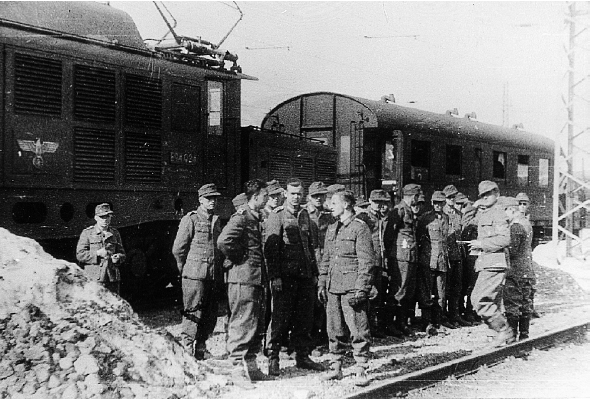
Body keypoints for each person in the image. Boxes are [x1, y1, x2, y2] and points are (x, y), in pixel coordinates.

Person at [264, 178, 324, 376]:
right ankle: (273, 358)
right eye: (292, 194)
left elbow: (312, 246)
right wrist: (275, 277)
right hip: (286, 277)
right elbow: (271, 250)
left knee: (304, 318)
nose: (296, 197)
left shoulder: (306, 215)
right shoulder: (277, 216)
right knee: (280, 318)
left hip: (305, 276)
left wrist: (315, 274)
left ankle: (302, 356)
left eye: (299, 194)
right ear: (286, 195)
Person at [318, 190, 374, 387]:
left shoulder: (360, 228)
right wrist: (322, 282)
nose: (330, 206)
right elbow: (327, 258)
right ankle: (336, 367)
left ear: (348, 205)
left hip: (351, 289)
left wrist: (361, 289)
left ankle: (361, 369)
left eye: (334, 202)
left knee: (358, 330)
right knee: (334, 329)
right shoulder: (333, 228)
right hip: (333, 288)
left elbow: (366, 261)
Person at [217, 179, 271, 382]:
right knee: (242, 322)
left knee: (256, 322)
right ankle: (236, 370)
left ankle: (251, 366)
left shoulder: (259, 217)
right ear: (256, 197)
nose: (267, 199)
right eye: (265, 195)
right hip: (243, 279)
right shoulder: (241, 217)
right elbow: (223, 241)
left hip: (256, 279)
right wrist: (239, 258)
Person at [172, 183, 224, 360]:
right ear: (200, 200)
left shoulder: (216, 220)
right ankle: (187, 349)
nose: (212, 202)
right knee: (193, 311)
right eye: (209, 198)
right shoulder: (191, 219)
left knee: (210, 313)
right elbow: (178, 248)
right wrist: (184, 267)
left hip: (212, 274)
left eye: (215, 198)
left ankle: (201, 347)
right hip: (194, 274)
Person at [468, 181, 512, 348]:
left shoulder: (499, 213)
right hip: (487, 263)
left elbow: (505, 239)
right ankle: (495, 334)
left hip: (495, 263)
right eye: (482, 195)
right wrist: (473, 206)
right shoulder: (486, 213)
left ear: (497, 194)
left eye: (489, 193)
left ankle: (503, 330)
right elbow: (467, 220)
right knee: (486, 300)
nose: (485, 197)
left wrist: (482, 244)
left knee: (479, 299)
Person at [384, 183, 420, 337]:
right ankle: (390, 324)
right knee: (398, 291)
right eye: (417, 196)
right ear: (412, 196)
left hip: (409, 257)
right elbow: (388, 236)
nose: (417, 200)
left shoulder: (409, 211)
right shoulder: (398, 210)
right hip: (400, 258)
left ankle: (401, 323)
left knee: (407, 291)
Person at [356, 189, 392, 338]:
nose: (379, 205)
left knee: (378, 296)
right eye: (377, 202)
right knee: (369, 294)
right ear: (370, 201)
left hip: (379, 261)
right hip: (368, 261)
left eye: (382, 203)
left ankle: (374, 326)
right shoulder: (364, 217)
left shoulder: (380, 217)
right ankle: (366, 329)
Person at [416, 191, 450, 334]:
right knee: (426, 292)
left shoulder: (446, 218)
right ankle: (427, 323)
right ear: (432, 203)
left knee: (440, 293)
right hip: (428, 260)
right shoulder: (425, 218)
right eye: (435, 202)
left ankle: (438, 321)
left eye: (440, 203)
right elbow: (418, 238)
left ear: (444, 203)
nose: (438, 205)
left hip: (442, 261)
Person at [306, 181, 334, 350]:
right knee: (310, 303)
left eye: (321, 195)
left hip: (325, 262)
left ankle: (320, 339)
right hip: (310, 263)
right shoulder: (304, 215)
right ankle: (309, 341)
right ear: (309, 197)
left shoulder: (329, 216)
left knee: (323, 301)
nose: (318, 198)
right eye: (315, 195)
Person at [503, 196, 535, 341]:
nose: (504, 215)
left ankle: (512, 337)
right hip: (527, 270)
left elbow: (513, 251)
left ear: (511, 210)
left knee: (512, 303)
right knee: (525, 302)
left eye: (505, 211)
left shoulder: (515, 226)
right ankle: (524, 335)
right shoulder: (526, 223)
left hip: (515, 270)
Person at [76, 203, 126, 295]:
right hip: (94, 278)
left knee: (113, 306)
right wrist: (97, 253)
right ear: (96, 218)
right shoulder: (87, 233)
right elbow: (80, 254)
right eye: (102, 217)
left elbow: (122, 253)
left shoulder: (115, 233)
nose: (105, 220)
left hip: (112, 277)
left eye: (108, 216)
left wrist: (118, 257)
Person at [442, 185, 470, 328]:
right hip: (447, 256)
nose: (452, 199)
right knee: (445, 288)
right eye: (449, 197)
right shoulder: (442, 213)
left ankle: (455, 315)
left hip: (458, 255)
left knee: (457, 287)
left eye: (454, 197)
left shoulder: (458, 214)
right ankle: (444, 316)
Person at [516, 191, 539, 319]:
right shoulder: (515, 220)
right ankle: (523, 309)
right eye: (520, 204)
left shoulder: (526, 219)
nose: (522, 206)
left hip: (527, 255)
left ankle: (529, 308)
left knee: (529, 282)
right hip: (519, 257)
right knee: (520, 283)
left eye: (525, 204)